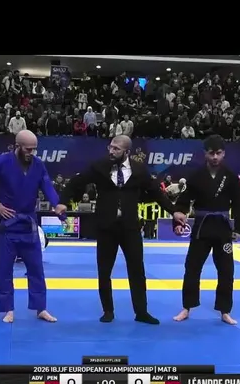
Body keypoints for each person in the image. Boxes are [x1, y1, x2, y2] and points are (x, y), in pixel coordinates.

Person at [63, 135, 186, 324]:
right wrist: (63, 202)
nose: (111, 151)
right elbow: (75, 183)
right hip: (106, 227)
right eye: (110, 147)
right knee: (104, 271)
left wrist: (173, 211)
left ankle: (141, 312)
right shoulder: (99, 166)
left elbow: (156, 192)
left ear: (127, 152)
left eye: (116, 149)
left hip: (130, 227)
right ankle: (108, 311)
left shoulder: (139, 170)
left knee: (137, 270)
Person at [0, 130, 64, 323]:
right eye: (28, 149)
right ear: (17, 146)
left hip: (28, 224)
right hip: (7, 224)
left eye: (34, 149)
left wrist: (57, 204)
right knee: (4, 270)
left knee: (36, 269)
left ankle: (41, 308)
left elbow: (47, 185)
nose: (32, 153)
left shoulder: (38, 165)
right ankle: (8, 310)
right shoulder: (0, 161)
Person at [171, 135, 240, 325]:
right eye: (211, 153)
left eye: (218, 153)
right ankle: (187, 307)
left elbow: (238, 204)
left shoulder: (230, 176)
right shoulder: (196, 175)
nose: (215, 157)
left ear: (224, 154)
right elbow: (183, 201)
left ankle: (225, 311)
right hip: (201, 228)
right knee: (192, 267)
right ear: (205, 153)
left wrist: (238, 228)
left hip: (223, 229)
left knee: (226, 270)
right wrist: (177, 223)